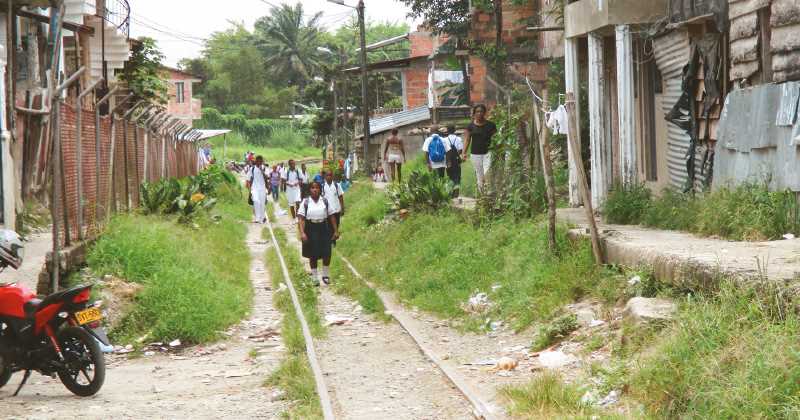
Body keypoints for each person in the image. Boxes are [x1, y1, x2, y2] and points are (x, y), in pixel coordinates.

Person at [297, 181, 340, 286]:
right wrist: (302, 233)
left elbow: (331, 216)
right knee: (313, 254)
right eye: (312, 188)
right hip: (311, 228)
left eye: (317, 188)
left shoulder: (325, 201)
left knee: (327, 252)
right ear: (310, 190)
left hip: (323, 228)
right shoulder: (306, 202)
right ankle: (315, 277)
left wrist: (335, 230)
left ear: (320, 190)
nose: (315, 190)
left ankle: (325, 275)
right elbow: (301, 219)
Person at [462, 104, 497, 194]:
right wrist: (464, 153)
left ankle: (489, 193)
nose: (479, 113)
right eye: (477, 111)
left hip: (488, 153)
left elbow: (496, 139)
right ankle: (482, 196)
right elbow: (467, 140)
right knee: (479, 175)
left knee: (487, 173)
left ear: (484, 113)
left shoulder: (491, 125)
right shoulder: (470, 126)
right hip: (475, 154)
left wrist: (498, 149)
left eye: (481, 111)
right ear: (474, 113)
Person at [322, 169, 345, 243]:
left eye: (330, 175)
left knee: (336, 226)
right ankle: (331, 242)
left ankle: (333, 240)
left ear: (332, 176)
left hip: (336, 209)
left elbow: (340, 197)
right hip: (327, 211)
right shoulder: (322, 187)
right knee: (329, 227)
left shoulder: (337, 185)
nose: (329, 177)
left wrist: (342, 208)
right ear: (325, 177)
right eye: (327, 175)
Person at [246, 155, 268, 223]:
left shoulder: (265, 168)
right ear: (256, 161)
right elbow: (248, 180)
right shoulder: (252, 169)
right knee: (256, 201)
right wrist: (250, 189)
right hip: (254, 188)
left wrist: (262, 171)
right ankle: (257, 217)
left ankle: (262, 217)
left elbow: (267, 178)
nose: (259, 162)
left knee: (262, 203)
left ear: (262, 161)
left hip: (262, 188)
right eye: (257, 161)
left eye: (260, 161)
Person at [445, 125, 464, 197]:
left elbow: (445, 151)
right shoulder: (458, 138)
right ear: (454, 130)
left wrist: (448, 160)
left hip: (448, 160)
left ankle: (451, 193)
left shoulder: (445, 139)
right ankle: (456, 192)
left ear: (447, 131)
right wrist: (456, 156)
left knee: (450, 176)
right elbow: (460, 150)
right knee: (457, 176)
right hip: (456, 160)